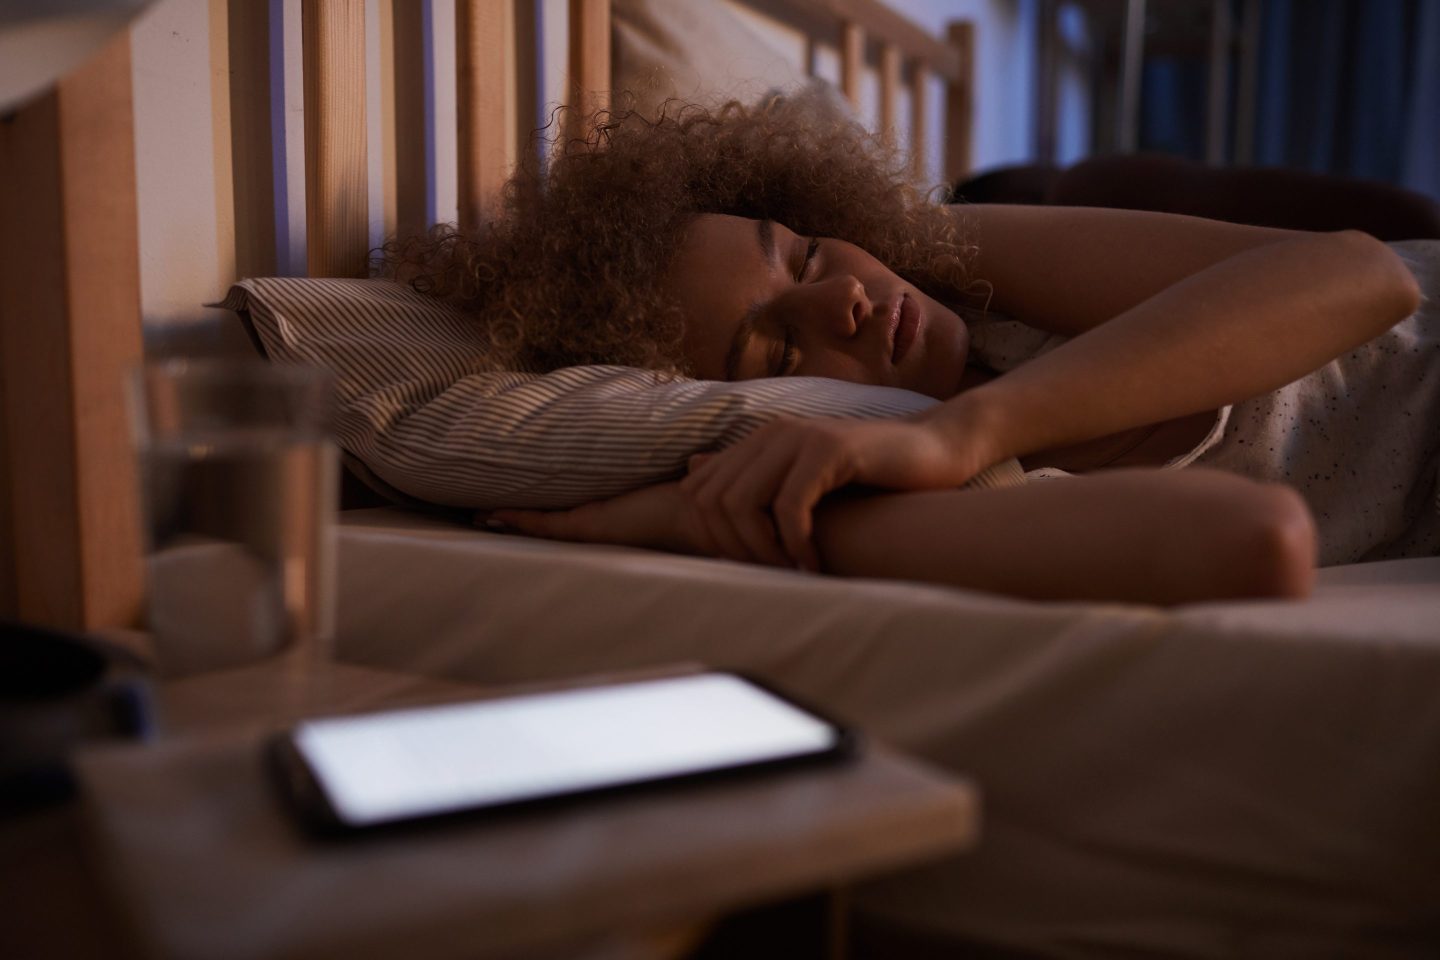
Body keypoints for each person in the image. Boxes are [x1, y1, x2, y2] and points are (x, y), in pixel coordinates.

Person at [385, 94, 1433, 605]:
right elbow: (1260, 543)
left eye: (798, 256)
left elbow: (1368, 275)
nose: (845, 299)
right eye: (767, 350)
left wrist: (967, 424)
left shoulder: (939, 265)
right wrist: (696, 520)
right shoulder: (921, 499)